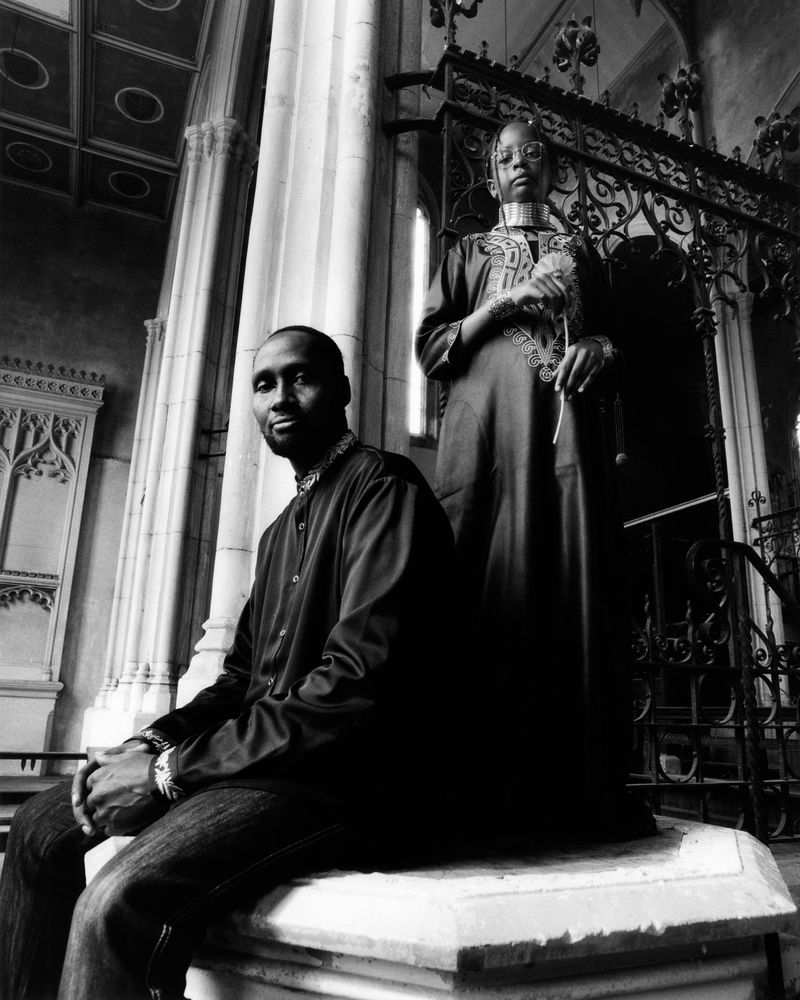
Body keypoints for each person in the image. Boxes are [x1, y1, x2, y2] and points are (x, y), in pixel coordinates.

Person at [0, 325, 457, 1000]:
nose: (281, 397)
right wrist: (146, 745)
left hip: (341, 782)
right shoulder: (276, 535)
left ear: (343, 391)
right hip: (257, 766)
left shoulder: (385, 489)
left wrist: (166, 774)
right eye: (264, 384)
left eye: (301, 377)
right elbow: (239, 682)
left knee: (116, 901)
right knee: (39, 828)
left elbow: (352, 690)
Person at [416, 119, 646, 839]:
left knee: (576, 582)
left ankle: (582, 786)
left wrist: (601, 347)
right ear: (491, 176)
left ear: (552, 170)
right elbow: (431, 348)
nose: (521, 164)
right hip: (487, 449)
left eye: (534, 154)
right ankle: (484, 790)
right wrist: (504, 303)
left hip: (571, 448)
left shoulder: (584, 255)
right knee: (491, 587)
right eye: (507, 157)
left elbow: (618, 343)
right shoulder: (467, 252)